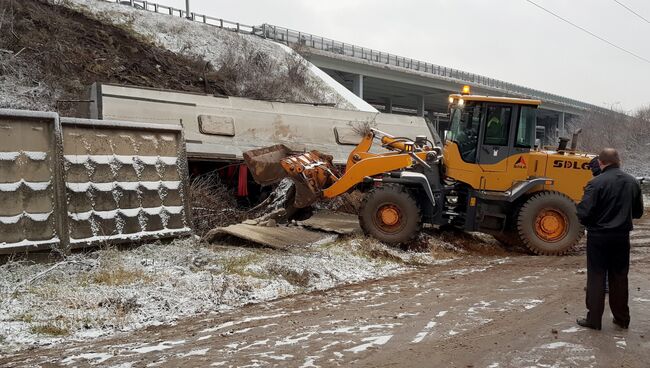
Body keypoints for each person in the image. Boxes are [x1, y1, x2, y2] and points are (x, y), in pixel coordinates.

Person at [576, 148, 644, 330]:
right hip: (621, 237)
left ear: (600, 163)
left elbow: (583, 213)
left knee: (597, 276)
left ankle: (594, 320)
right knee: (620, 277)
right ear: (619, 161)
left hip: (598, 237)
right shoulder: (633, 182)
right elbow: (637, 212)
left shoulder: (595, 183)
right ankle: (622, 319)